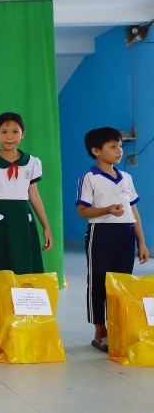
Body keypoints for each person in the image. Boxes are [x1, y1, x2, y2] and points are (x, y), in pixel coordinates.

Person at [76, 127, 149, 352]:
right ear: (96, 150)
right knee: (98, 283)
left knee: (122, 284)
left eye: (120, 146)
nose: (119, 151)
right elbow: (83, 211)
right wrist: (107, 209)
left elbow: (133, 211)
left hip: (126, 235)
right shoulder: (89, 178)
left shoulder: (126, 177)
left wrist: (142, 242)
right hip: (102, 235)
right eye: (113, 146)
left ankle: (119, 327)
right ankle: (100, 331)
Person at [0, 112, 52, 276]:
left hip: (23, 217)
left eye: (15, 131)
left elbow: (34, 195)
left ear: (23, 134)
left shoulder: (31, 162)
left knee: (23, 266)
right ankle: (1, 301)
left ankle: (21, 300)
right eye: (4, 132)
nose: (9, 137)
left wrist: (46, 226)